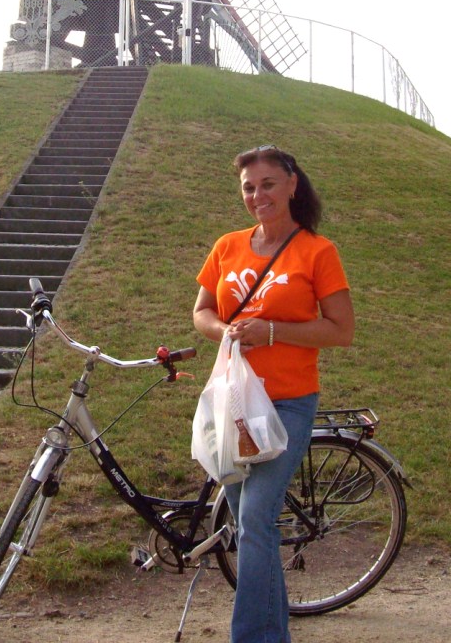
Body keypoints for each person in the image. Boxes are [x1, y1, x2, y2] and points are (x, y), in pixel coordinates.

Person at [193, 145, 354, 643]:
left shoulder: (317, 251)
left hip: (286, 402)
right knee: (250, 524)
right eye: (248, 187)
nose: (257, 195)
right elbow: (201, 311)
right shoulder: (227, 246)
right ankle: (271, 629)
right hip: (235, 402)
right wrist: (225, 331)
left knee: (256, 519)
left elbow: (341, 330)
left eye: (267, 184)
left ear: (291, 184)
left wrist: (272, 332)